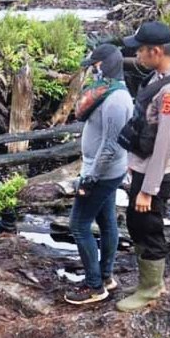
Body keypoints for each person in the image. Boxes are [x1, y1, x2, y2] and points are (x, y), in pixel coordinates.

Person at [115, 21, 170, 313]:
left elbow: (164, 145)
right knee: (136, 223)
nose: (137, 57)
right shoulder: (159, 77)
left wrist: (148, 189)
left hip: (157, 174)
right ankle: (147, 282)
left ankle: (152, 288)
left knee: (149, 227)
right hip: (145, 168)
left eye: (140, 51)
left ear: (156, 51)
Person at [64, 43, 133, 305]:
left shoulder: (116, 100)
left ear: (103, 65)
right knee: (106, 222)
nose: (93, 70)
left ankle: (94, 285)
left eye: (95, 65)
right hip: (106, 171)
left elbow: (111, 146)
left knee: (79, 225)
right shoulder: (110, 92)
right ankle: (106, 276)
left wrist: (90, 178)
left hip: (103, 173)